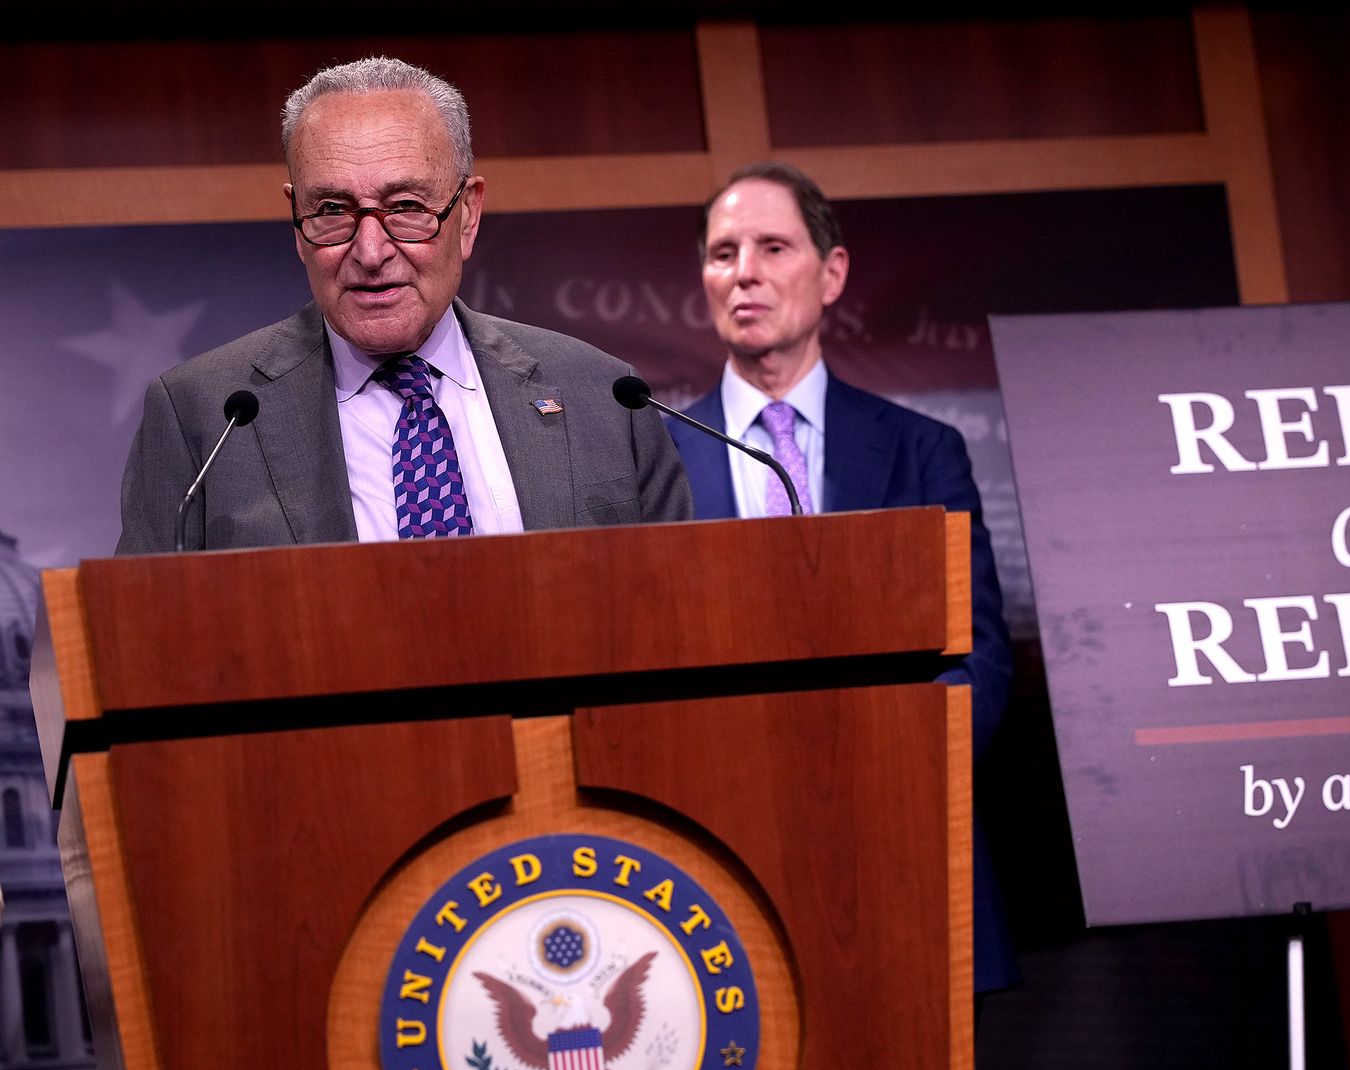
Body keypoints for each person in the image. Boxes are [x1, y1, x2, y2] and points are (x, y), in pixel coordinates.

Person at [674, 161, 1019, 992]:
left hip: (903, 841)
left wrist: (872, 776)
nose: (744, 271)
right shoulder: (657, 456)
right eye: (724, 253)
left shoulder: (920, 450)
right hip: (718, 861)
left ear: (832, 274)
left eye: (772, 247)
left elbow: (980, 662)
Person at [116, 57, 689, 554]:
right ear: (296, 222)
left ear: (467, 214)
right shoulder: (203, 415)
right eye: (333, 210)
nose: (370, 251)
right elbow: (148, 642)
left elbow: (676, 615)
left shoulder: (606, 398)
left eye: (407, 206)